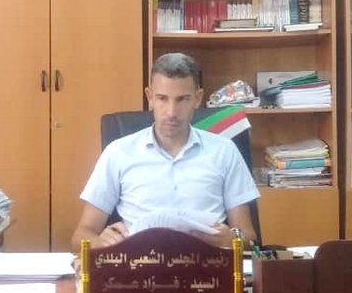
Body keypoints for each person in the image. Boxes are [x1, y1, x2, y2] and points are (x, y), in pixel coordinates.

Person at [71, 53, 260, 251]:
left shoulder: (225, 151)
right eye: (162, 98)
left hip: (206, 262)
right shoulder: (118, 152)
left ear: (197, 98)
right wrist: (100, 242)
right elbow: (81, 236)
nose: (171, 112)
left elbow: (248, 237)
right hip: (139, 261)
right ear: (150, 97)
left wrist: (232, 240)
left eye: (182, 99)